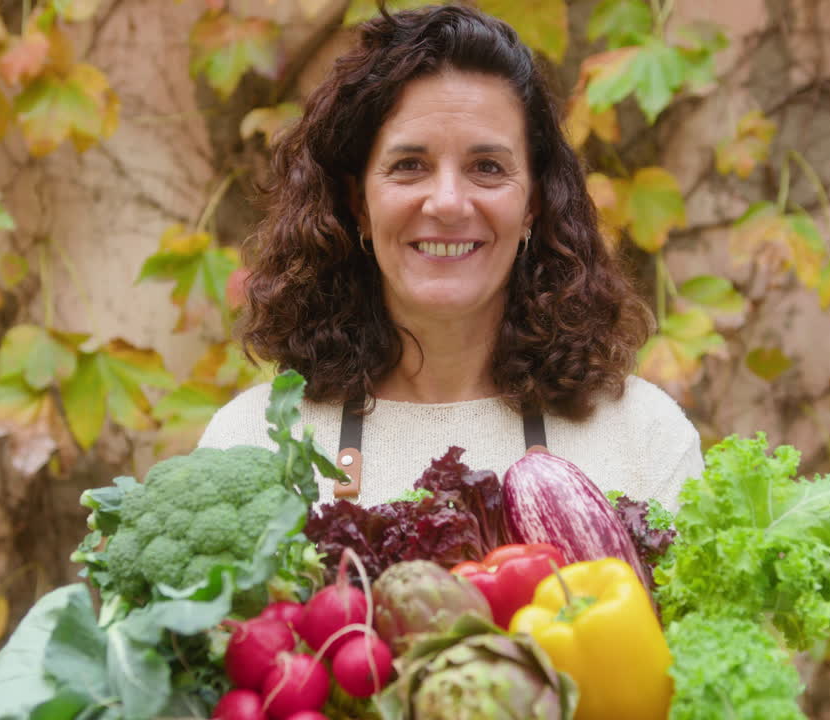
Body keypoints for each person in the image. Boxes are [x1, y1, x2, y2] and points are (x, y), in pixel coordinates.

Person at [198, 4, 703, 510]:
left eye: (486, 167)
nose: (447, 203)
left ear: (532, 203)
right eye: (409, 165)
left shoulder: (640, 438)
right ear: (358, 204)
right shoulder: (253, 444)